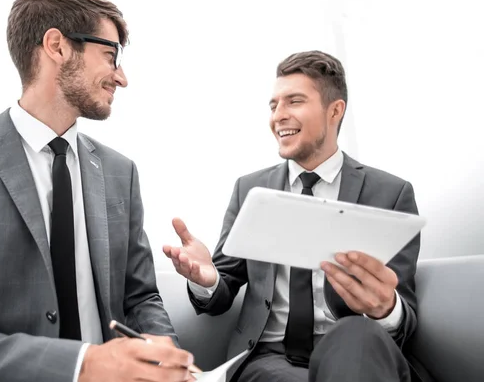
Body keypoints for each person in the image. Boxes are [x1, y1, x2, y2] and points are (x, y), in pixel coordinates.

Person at [0, 0, 194, 382]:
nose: (121, 77)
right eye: (111, 55)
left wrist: (163, 354)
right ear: (57, 46)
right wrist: (82, 365)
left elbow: (140, 297)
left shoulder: (121, 172)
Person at [163, 50, 424, 382]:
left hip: (359, 352)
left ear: (335, 110)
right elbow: (223, 289)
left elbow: (404, 315)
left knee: (355, 337)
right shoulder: (250, 189)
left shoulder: (391, 193)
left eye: (294, 102)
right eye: (273, 106)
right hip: (273, 360)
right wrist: (206, 279)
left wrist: (385, 309)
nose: (278, 116)